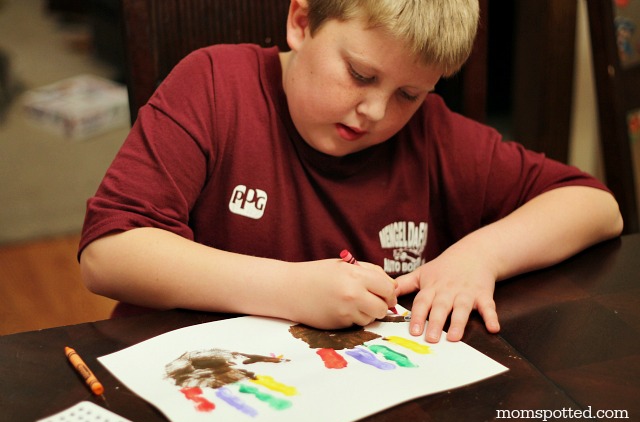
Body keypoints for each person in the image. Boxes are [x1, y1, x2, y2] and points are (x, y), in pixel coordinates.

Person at [78, 0, 623, 343]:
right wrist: (289, 289)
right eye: (360, 74)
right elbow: (110, 254)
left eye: (409, 93)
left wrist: (478, 255)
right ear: (300, 21)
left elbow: (595, 205)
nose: (377, 113)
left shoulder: (428, 133)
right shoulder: (215, 85)